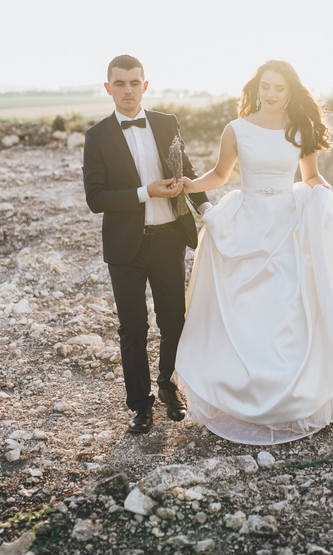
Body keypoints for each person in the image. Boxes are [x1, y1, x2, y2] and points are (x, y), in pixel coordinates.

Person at [175, 60, 333, 445]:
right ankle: (237, 394)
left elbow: (309, 176)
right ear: (257, 87)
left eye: (279, 87)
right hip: (245, 221)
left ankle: (298, 397)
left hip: (286, 223)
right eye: (266, 85)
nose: (272, 93)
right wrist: (188, 182)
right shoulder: (236, 129)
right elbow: (220, 175)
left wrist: (323, 194)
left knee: (288, 307)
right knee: (245, 308)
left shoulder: (301, 130)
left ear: (290, 90)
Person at [83, 54, 210, 434]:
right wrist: (144, 192)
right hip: (126, 247)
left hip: (170, 238)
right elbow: (96, 198)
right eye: (119, 84)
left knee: (175, 321)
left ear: (145, 85)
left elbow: (185, 171)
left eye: (134, 83)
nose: (127, 90)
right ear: (108, 88)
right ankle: (140, 406)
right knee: (133, 328)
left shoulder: (166, 122)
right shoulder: (97, 136)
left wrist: (209, 210)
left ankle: (169, 387)